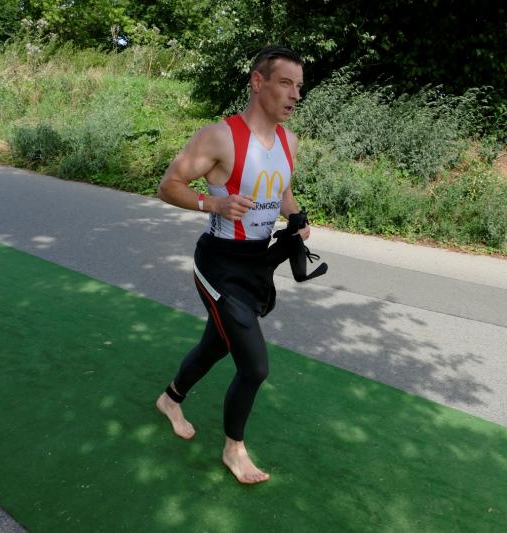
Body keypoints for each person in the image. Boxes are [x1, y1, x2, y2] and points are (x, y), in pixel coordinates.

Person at [155, 45, 308, 484]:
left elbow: (281, 191)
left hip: (256, 263)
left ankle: (171, 398)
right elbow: (169, 185)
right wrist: (214, 203)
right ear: (258, 82)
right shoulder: (219, 137)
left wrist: (296, 219)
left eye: (299, 86)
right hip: (218, 264)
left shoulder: (289, 141)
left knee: (217, 344)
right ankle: (234, 450)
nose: (295, 94)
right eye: (285, 83)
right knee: (254, 366)